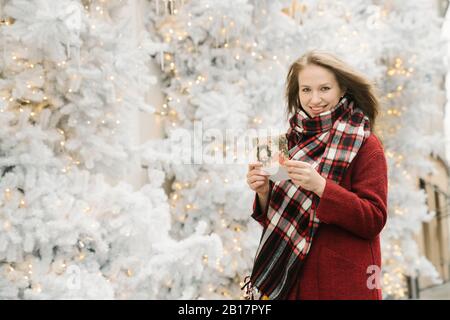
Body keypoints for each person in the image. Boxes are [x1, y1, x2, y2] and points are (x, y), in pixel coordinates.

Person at [245, 50, 388, 300]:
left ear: (342, 88)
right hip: (291, 281)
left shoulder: (365, 143)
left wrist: (322, 187)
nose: (315, 99)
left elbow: (373, 219)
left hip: (342, 284)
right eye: (306, 90)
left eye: (324, 89)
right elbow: (280, 219)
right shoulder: (288, 142)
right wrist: (263, 192)